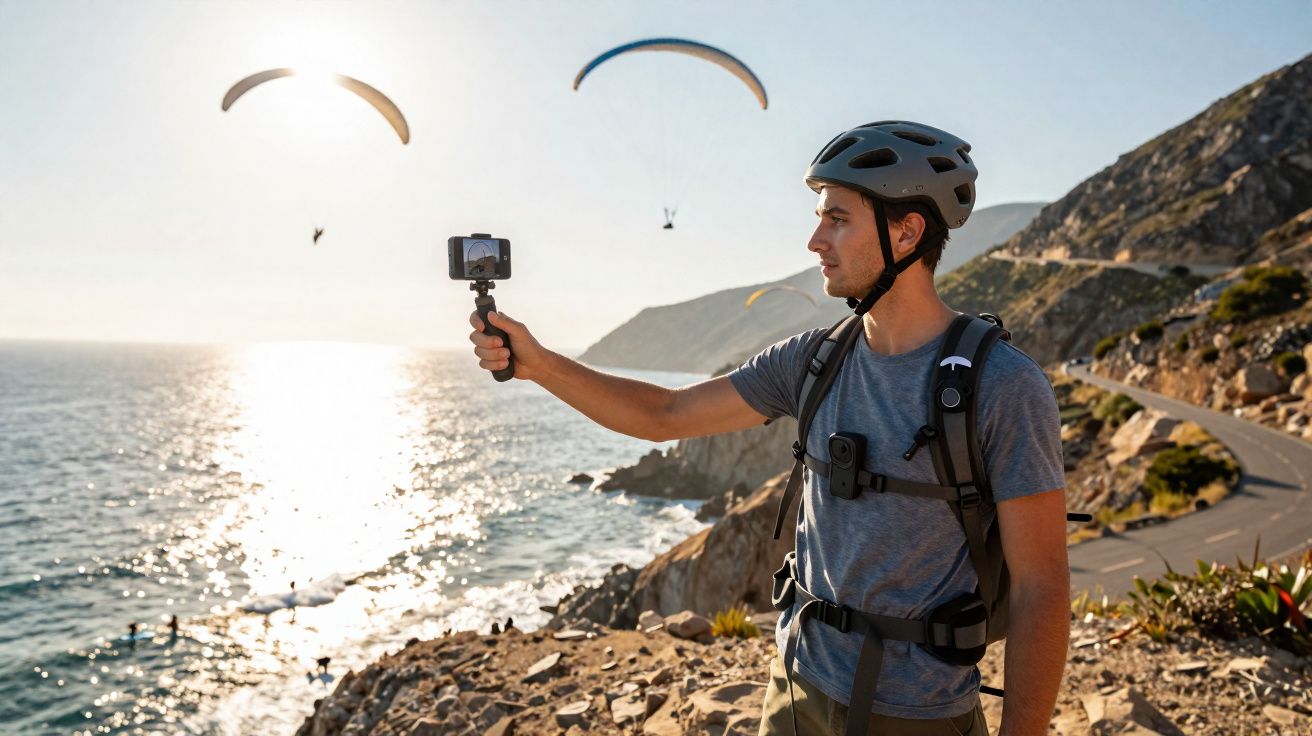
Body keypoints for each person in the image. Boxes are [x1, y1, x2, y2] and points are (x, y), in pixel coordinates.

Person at [467, 121, 1068, 735]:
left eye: (838, 219)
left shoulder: (1002, 385)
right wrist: (537, 364)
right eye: (819, 217)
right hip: (793, 692)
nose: (815, 240)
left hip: (915, 716)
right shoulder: (812, 359)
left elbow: (1042, 587)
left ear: (907, 232)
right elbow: (663, 415)